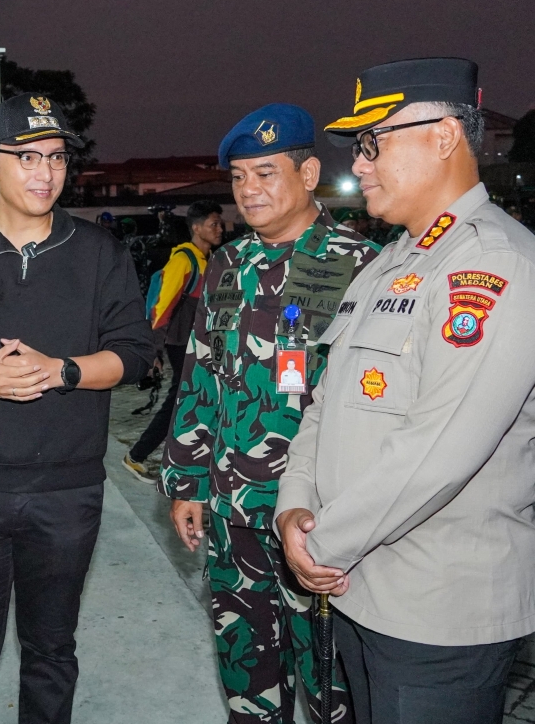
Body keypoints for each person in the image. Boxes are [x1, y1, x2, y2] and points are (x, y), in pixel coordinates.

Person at [276, 58, 535, 724]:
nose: (359, 165)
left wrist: (321, 543)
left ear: (444, 136)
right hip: (361, 590)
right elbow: (325, 404)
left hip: (436, 614)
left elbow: (441, 450)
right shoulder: (389, 264)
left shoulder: (494, 263)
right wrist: (292, 506)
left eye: (372, 143)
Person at [0, 93, 154, 724]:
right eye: (26, 157)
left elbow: (134, 352)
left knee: (51, 650)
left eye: (57, 157)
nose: (45, 172)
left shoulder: (99, 253)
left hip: (66, 492)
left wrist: (64, 371)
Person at [159, 103, 380, 724]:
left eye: (265, 173)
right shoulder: (229, 264)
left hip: (315, 523)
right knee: (249, 682)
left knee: (334, 688)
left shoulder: (359, 265)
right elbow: (200, 374)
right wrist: (187, 481)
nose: (248, 190)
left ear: (309, 174)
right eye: (238, 178)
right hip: (233, 517)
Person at [123, 200, 224, 483]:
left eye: (220, 223)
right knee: (179, 402)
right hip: (181, 344)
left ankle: (195, 458)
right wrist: (153, 351)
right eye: (213, 224)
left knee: (200, 399)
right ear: (196, 228)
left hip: (201, 343)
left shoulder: (210, 261)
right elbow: (160, 309)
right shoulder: (184, 261)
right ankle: (136, 456)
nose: (219, 229)